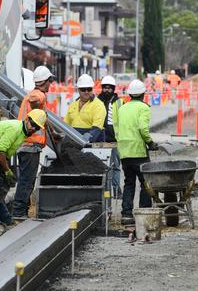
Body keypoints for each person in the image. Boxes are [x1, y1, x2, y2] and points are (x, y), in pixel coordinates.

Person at [0, 109, 48, 237]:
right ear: (27, 119)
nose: (33, 129)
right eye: (32, 124)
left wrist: (6, 173)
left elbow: (3, 152)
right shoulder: (15, 129)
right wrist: (7, 170)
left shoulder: (23, 132)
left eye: (36, 128)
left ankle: (5, 219)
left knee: (3, 187)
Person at [13, 66, 54, 218]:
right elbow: (34, 99)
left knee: (26, 180)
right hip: (30, 145)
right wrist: (37, 103)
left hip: (27, 145)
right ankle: (18, 212)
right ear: (44, 82)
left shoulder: (35, 95)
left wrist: (53, 134)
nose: (51, 84)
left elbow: (42, 119)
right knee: (26, 180)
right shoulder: (37, 95)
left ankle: (21, 211)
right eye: (50, 81)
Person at [115, 79, 157, 225]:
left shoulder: (122, 108)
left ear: (130, 94)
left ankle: (126, 216)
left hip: (125, 152)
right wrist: (150, 143)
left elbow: (117, 128)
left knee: (129, 183)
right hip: (138, 151)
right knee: (145, 183)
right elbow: (143, 128)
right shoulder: (144, 108)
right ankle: (143, 214)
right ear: (143, 94)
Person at [98, 75, 123, 199]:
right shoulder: (97, 101)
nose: (106, 90)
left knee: (115, 166)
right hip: (100, 139)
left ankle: (116, 189)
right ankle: (103, 192)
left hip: (114, 139)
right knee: (102, 166)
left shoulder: (119, 102)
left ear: (113, 89)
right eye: (104, 88)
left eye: (109, 88)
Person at [64, 74, 107, 142]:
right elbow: (66, 125)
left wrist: (86, 139)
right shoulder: (73, 105)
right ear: (78, 90)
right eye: (83, 89)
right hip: (75, 143)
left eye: (89, 89)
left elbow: (97, 128)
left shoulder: (98, 105)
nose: (86, 92)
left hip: (94, 145)